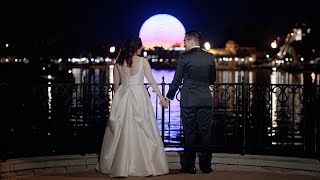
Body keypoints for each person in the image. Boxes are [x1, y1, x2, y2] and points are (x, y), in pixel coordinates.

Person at [96, 35, 169, 177]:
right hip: (139, 95)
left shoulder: (118, 63)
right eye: (141, 46)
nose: (142, 48)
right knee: (143, 128)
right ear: (136, 47)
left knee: (122, 130)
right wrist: (161, 98)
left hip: (123, 96)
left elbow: (116, 86)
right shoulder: (142, 61)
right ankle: (142, 165)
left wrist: (116, 104)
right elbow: (152, 82)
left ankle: (121, 165)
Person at [161, 30, 216, 174]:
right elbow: (212, 79)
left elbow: (177, 80)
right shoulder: (210, 57)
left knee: (189, 133)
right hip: (205, 99)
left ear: (190, 40)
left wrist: (168, 98)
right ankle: (206, 166)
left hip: (188, 100)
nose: (183, 44)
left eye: (184, 41)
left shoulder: (184, 57)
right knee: (206, 134)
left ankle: (190, 166)